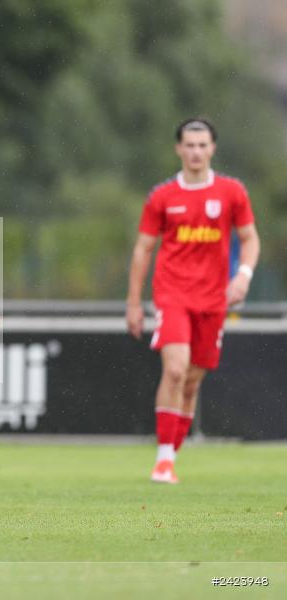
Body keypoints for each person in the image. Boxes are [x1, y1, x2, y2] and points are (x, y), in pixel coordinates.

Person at [126, 118, 259, 484]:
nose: (196, 151)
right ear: (179, 149)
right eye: (190, 145)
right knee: (175, 369)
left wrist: (243, 276)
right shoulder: (163, 197)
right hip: (172, 294)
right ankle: (163, 461)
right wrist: (134, 302)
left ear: (212, 149)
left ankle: (172, 454)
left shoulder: (232, 192)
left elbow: (250, 239)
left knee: (192, 381)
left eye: (203, 145)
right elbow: (143, 249)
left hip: (213, 298)